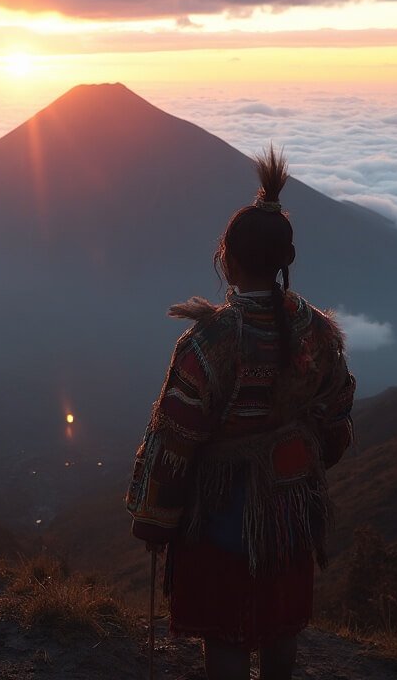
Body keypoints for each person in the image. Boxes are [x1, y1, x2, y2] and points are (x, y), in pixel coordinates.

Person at [125, 145, 355, 680]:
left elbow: (175, 439)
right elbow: (338, 411)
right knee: (280, 628)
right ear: (284, 261)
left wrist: (154, 518)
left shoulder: (210, 343)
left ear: (226, 257)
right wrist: (301, 456)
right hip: (292, 510)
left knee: (227, 635)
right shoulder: (317, 331)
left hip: (222, 514)